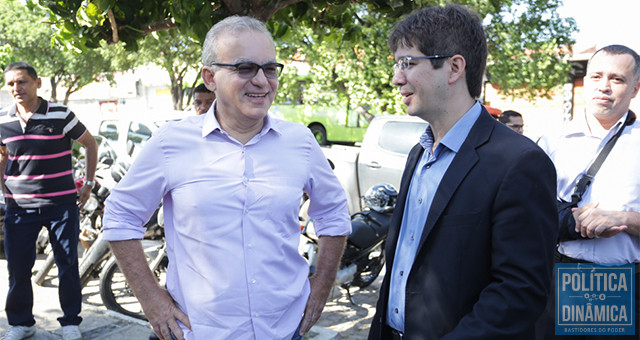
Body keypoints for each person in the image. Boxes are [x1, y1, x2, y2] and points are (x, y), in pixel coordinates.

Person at [102, 16, 350, 340]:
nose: (262, 80)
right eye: (245, 68)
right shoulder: (170, 143)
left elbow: (333, 213)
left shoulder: (300, 142)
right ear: (210, 77)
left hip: (285, 331)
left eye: (270, 68)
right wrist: (152, 301)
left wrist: (320, 288)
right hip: (200, 332)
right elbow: (120, 216)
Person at [368, 5, 558, 339]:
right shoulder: (418, 153)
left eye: (408, 63)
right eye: (397, 65)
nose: (397, 78)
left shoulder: (520, 162)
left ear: (454, 68)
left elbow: (518, 293)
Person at [537, 44, 640, 339]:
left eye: (617, 79)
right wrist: (572, 222)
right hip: (558, 280)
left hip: (624, 286)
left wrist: (624, 220)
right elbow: (525, 215)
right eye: (596, 76)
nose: (604, 86)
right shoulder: (551, 142)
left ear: (635, 88)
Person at [0, 62, 98, 340]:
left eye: (22, 82)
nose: (16, 89)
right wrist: (4, 191)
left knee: (67, 264)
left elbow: (90, 144)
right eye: (11, 84)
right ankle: (21, 323)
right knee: (18, 267)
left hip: (61, 205)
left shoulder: (60, 114)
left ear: (37, 82)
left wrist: (88, 184)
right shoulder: (2, 119)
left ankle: (70, 322)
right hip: (19, 207)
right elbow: (2, 158)